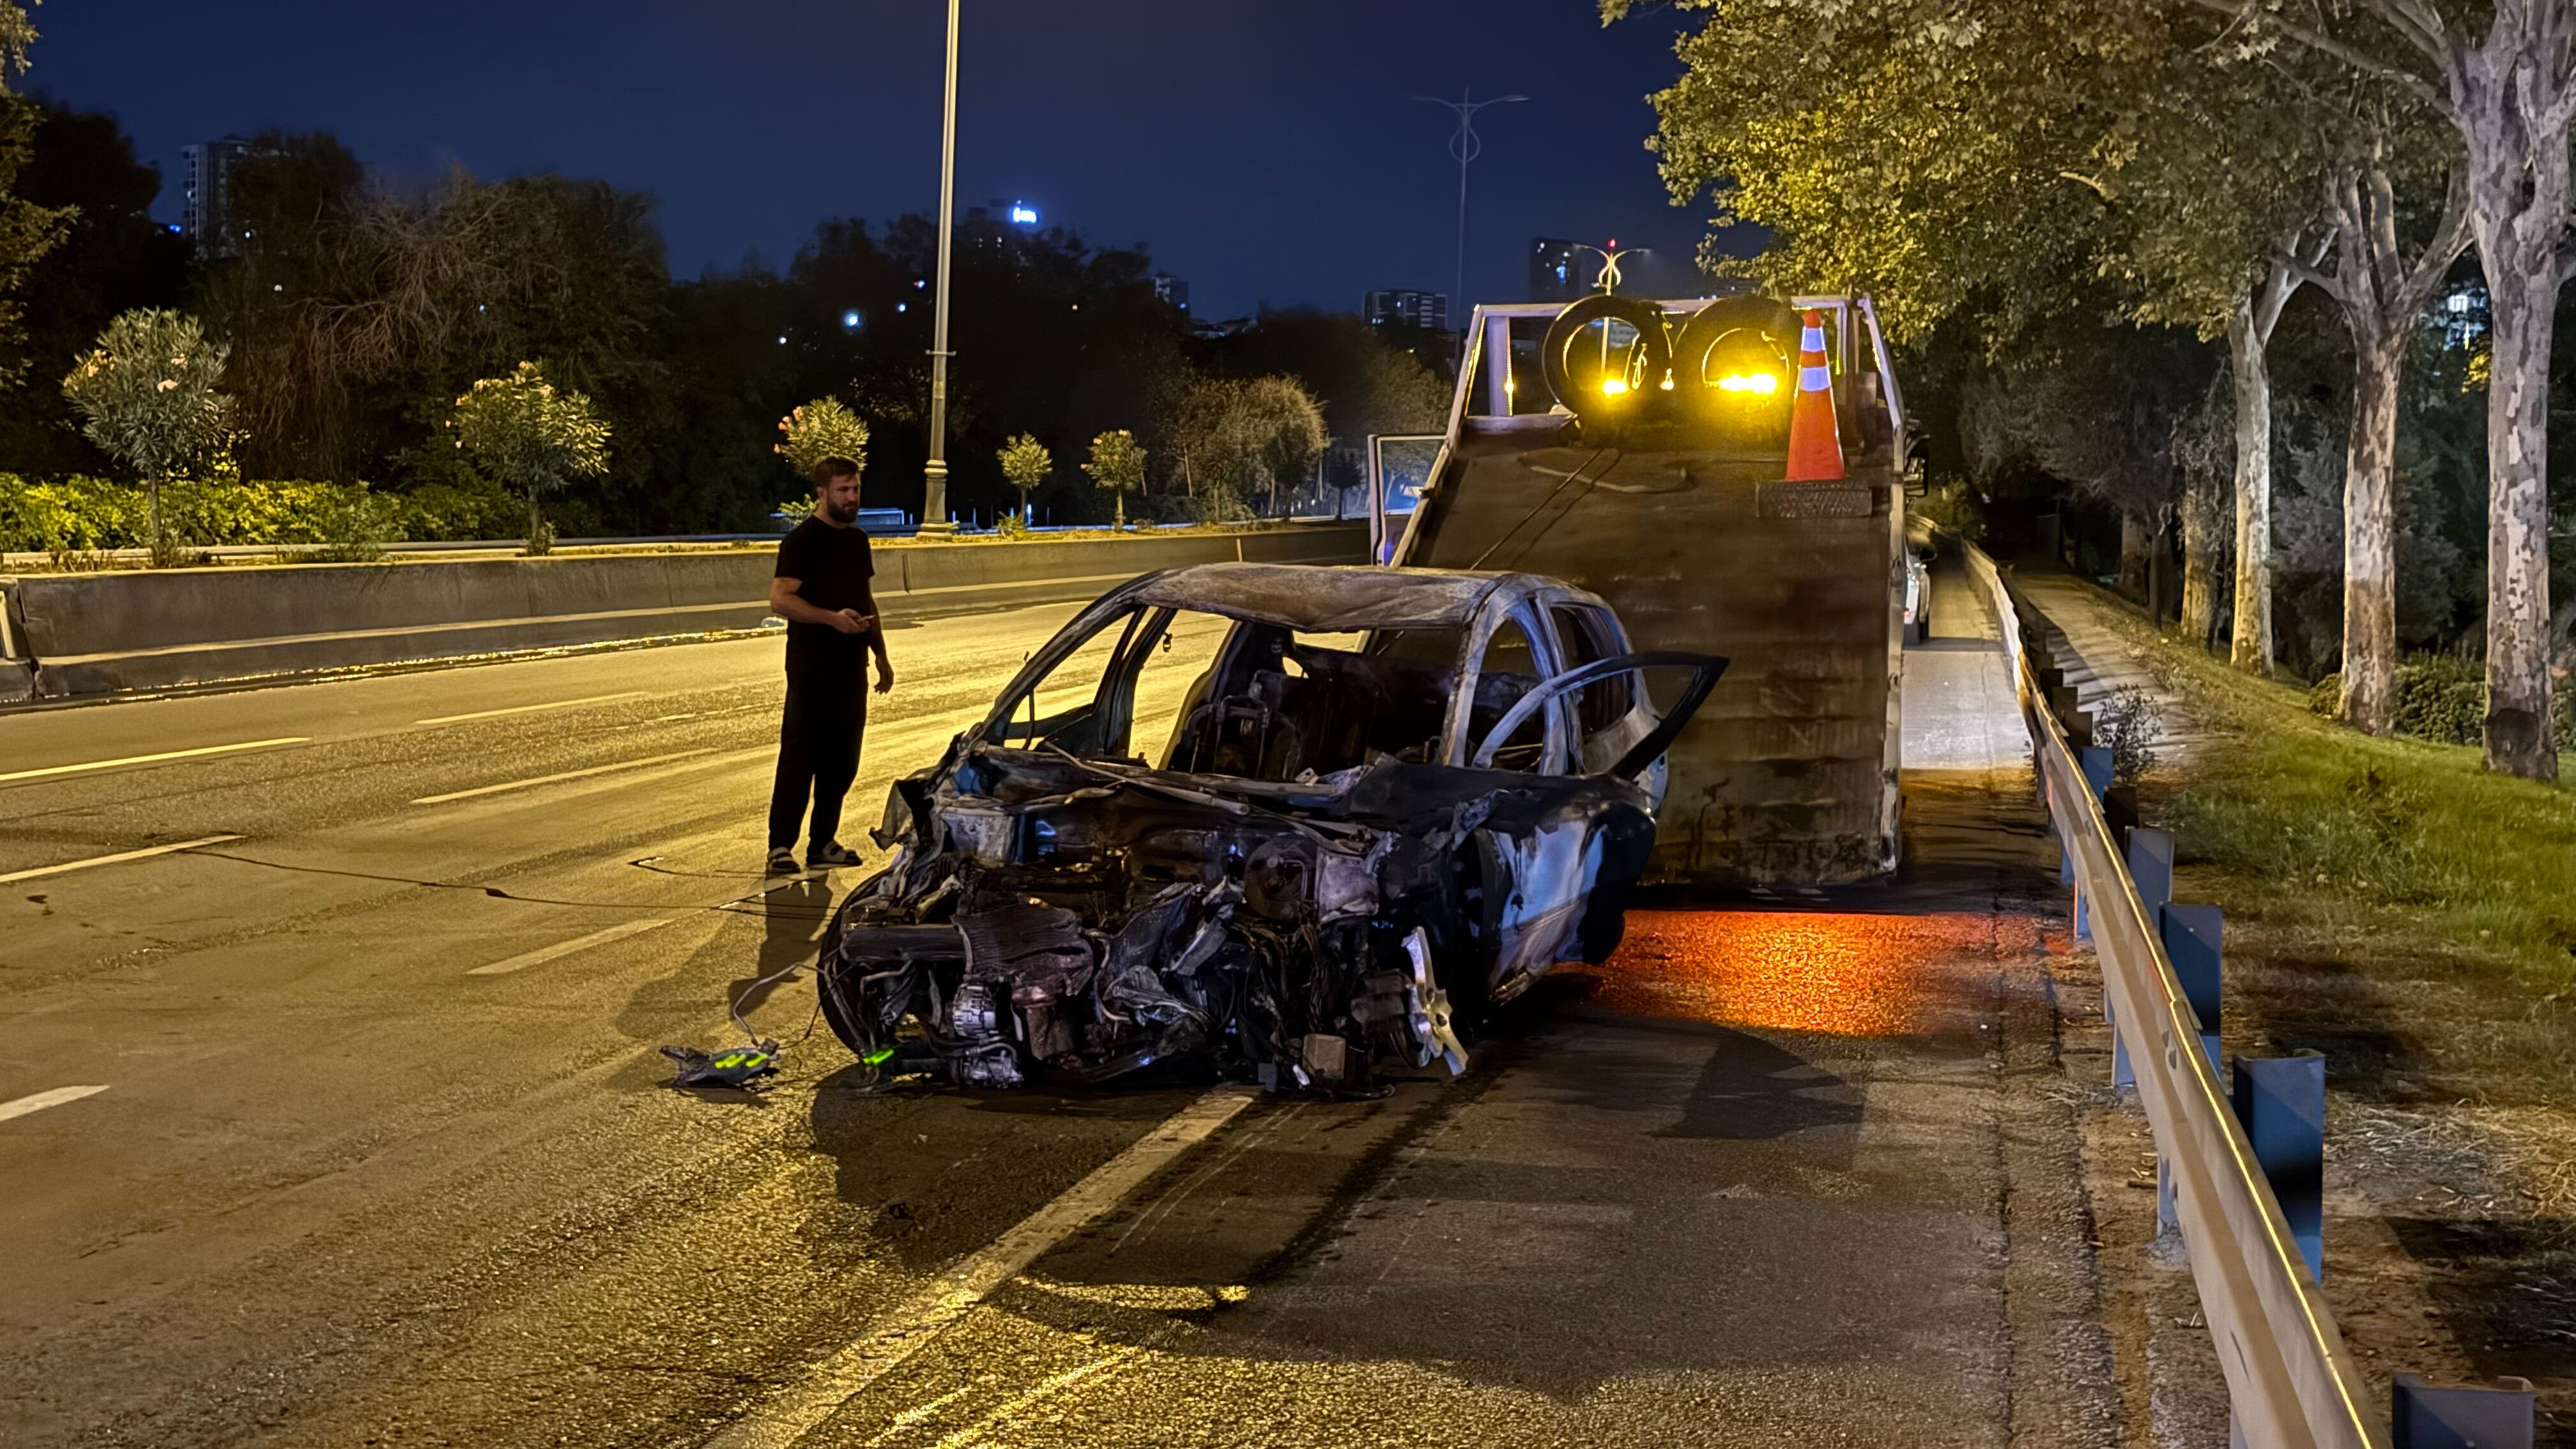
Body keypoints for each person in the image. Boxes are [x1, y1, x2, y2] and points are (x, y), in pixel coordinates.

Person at [766, 456, 895, 873]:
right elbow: (780, 599)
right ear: (822, 493)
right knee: (801, 757)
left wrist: (881, 654)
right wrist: (830, 619)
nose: (852, 498)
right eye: (843, 490)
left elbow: (866, 599)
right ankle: (780, 847)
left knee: (843, 761)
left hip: (850, 668)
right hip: (811, 668)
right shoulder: (802, 542)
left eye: (856, 489)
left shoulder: (857, 541)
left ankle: (823, 842)